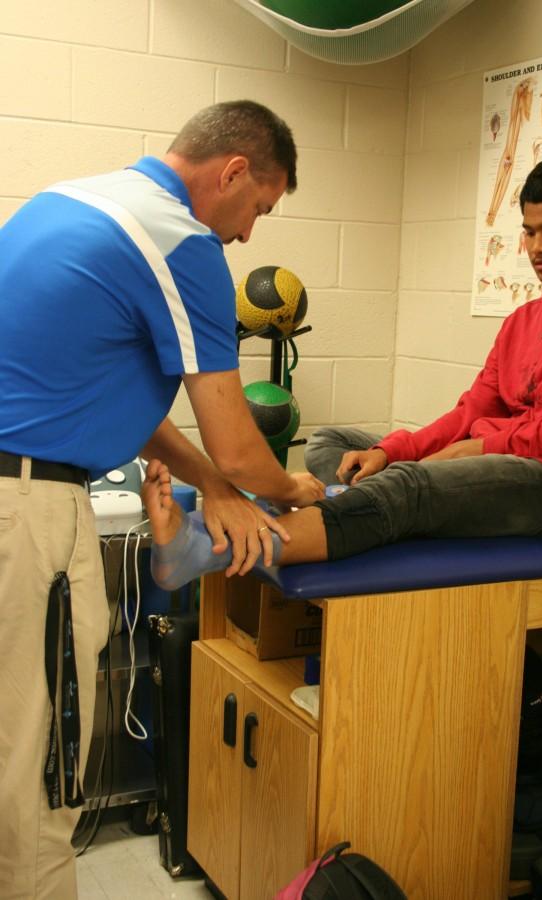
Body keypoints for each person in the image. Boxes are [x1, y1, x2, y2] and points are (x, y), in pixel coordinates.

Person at [0, 100, 323, 900]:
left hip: (20, 483)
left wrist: (214, 485)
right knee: (38, 774)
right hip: (29, 512)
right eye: (260, 208)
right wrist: (292, 488)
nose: (248, 235)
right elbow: (244, 445)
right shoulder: (180, 242)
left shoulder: (65, 202)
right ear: (235, 171)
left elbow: (103, 396)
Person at [141, 150, 542, 586]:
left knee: (409, 484)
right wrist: (394, 450)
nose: (535, 247)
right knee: (335, 444)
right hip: (493, 458)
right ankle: (356, 506)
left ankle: (204, 546)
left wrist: (476, 449)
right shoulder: (524, 319)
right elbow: (471, 410)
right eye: (529, 231)